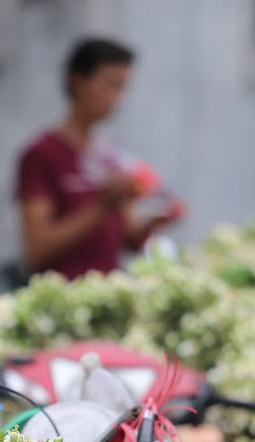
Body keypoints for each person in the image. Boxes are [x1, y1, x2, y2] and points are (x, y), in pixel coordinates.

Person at [16, 37, 181, 279]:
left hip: (107, 294)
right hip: (64, 301)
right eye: (110, 85)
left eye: (123, 87)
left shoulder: (111, 155)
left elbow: (130, 238)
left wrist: (157, 221)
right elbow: (36, 250)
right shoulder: (42, 154)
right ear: (77, 81)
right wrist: (101, 206)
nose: (117, 98)